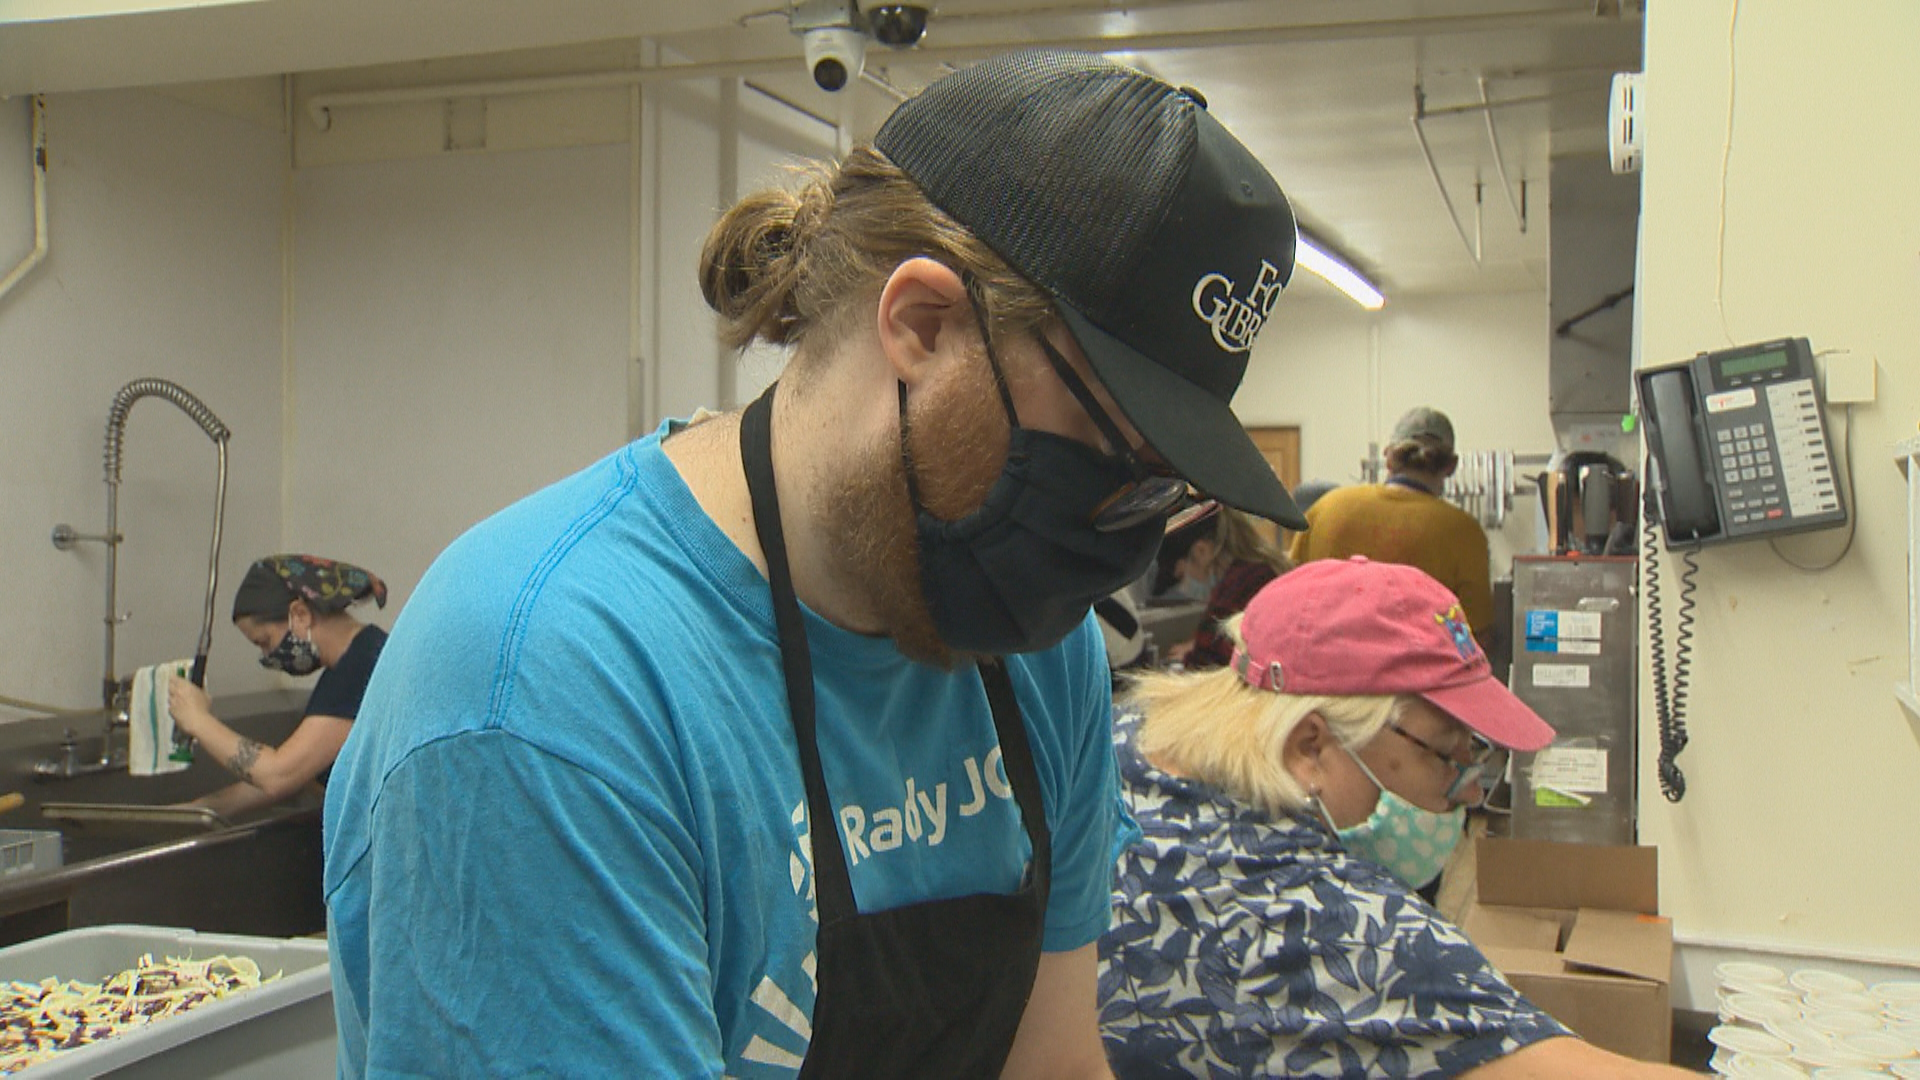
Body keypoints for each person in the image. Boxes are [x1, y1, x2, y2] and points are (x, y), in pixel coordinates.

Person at [323, 49, 1306, 1079]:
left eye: (1160, 487)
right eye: (1108, 450)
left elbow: (1051, 1058)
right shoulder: (548, 685)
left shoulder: (1029, 643)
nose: (1117, 531)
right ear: (922, 324)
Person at [1098, 558, 1695, 1078]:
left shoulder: (1110, 753)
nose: (1468, 791)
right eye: (1443, 753)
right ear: (1311, 746)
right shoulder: (1334, 927)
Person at [166, 555, 388, 819]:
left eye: (265, 641)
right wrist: (194, 812)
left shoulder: (361, 667)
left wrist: (197, 720)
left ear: (301, 614)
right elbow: (290, 778)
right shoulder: (352, 662)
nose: (268, 655)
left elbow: (278, 775)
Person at [1289, 406, 1495, 648]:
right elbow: (1473, 638)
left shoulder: (1326, 509)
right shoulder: (1464, 532)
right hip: (1415, 681)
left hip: (1322, 677)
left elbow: (1289, 603)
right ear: (1451, 465)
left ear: (1388, 457)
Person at [1155, 502, 1292, 670]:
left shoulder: (1238, 587)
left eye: (1184, 575)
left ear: (1201, 551)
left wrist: (1195, 651)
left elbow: (1204, 663)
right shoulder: (1264, 571)